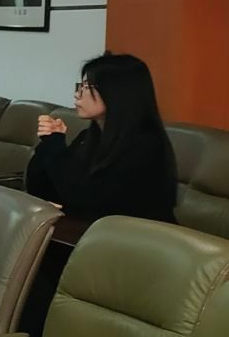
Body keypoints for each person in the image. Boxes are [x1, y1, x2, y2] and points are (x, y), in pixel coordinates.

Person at [28, 52, 177, 223]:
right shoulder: (90, 137)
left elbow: (87, 199)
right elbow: (41, 188)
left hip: (137, 235)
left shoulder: (145, 145)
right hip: (95, 229)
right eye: (80, 86)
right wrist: (48, 141)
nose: (77, 94)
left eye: (87, 87)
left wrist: (55, 144)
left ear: (116, 92)